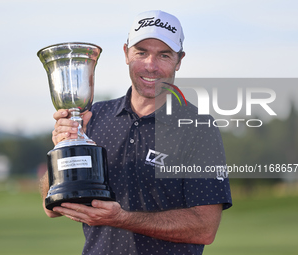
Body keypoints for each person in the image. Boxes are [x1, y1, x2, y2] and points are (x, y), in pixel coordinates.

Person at [40, 10, 232, 255]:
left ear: (179, 60)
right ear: (126, 53)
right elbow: (52, 207)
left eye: (163, 55)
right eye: (141, 52)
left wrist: (121, 218)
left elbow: (204, 228)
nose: (151, 66)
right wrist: (63, 147)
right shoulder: (95, 117)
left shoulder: (198, 127)